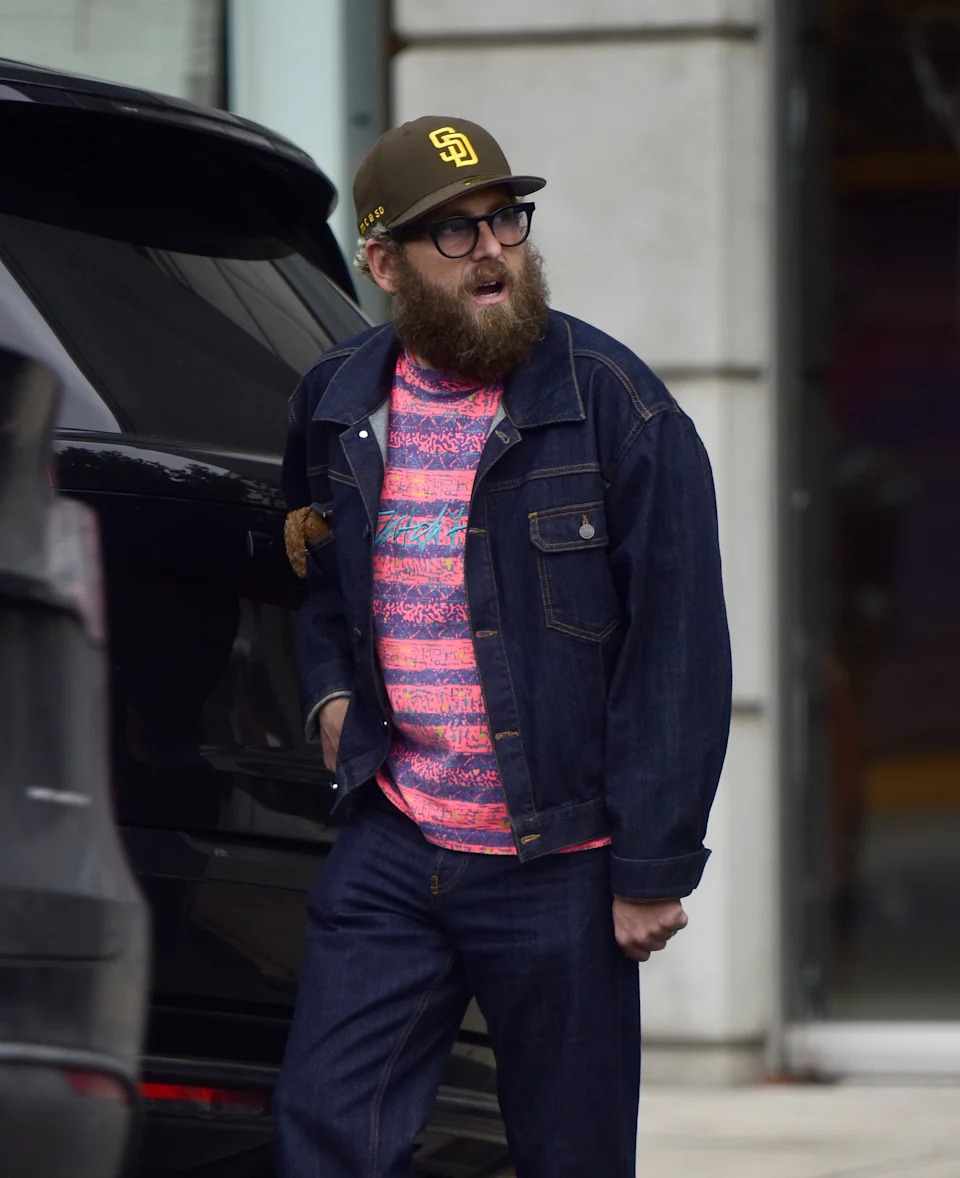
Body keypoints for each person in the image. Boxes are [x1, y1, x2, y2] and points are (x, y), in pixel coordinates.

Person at [274, 115, 732, 1178]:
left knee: (568, 1156)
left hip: (558, 864)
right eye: (453, 232)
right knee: (325, 1126)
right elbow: (310, 580)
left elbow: (679, 648)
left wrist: (652, 863)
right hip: (396, 840)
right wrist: (333, 699)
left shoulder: (617, 407)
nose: (492, 248)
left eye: (504, 219)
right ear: (383, 262)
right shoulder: (336, 402)